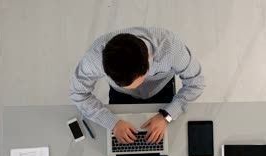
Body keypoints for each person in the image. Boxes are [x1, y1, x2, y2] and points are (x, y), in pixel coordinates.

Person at [69, 27, 205, 144]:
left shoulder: (171, 48)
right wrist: (112, 122)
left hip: (161, 89)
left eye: (134, 83)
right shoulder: (94, 59)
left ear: (148, 59)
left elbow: (196, 82)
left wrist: (167, 115)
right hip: (119, 95)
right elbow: (78, 93)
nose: (134, 89)